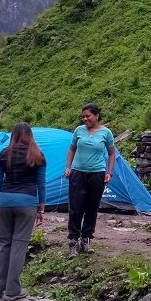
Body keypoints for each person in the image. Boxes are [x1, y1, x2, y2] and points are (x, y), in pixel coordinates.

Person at [0, 122, 46, 301]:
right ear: (30, 135)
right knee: (19, 246)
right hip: (27, 202)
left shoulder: (3, 154)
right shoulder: (38, 155)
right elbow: (41, 184)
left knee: (3, 244)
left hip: (4, 201)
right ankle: (12, 291)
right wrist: (42, 208)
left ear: (13, 136)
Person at [64, 103, 115, 257]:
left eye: (88, 116)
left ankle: (86, 240)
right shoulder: (78, 131)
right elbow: (72, 149)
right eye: (83, 116)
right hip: (78, 173)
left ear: (96, 116)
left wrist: (109, 172)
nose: (85, 119)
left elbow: (112, 153)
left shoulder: (106, 133)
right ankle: (73, 240)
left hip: (97, 174)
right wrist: (68, 167)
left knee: (91, 208)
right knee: (75, 207)